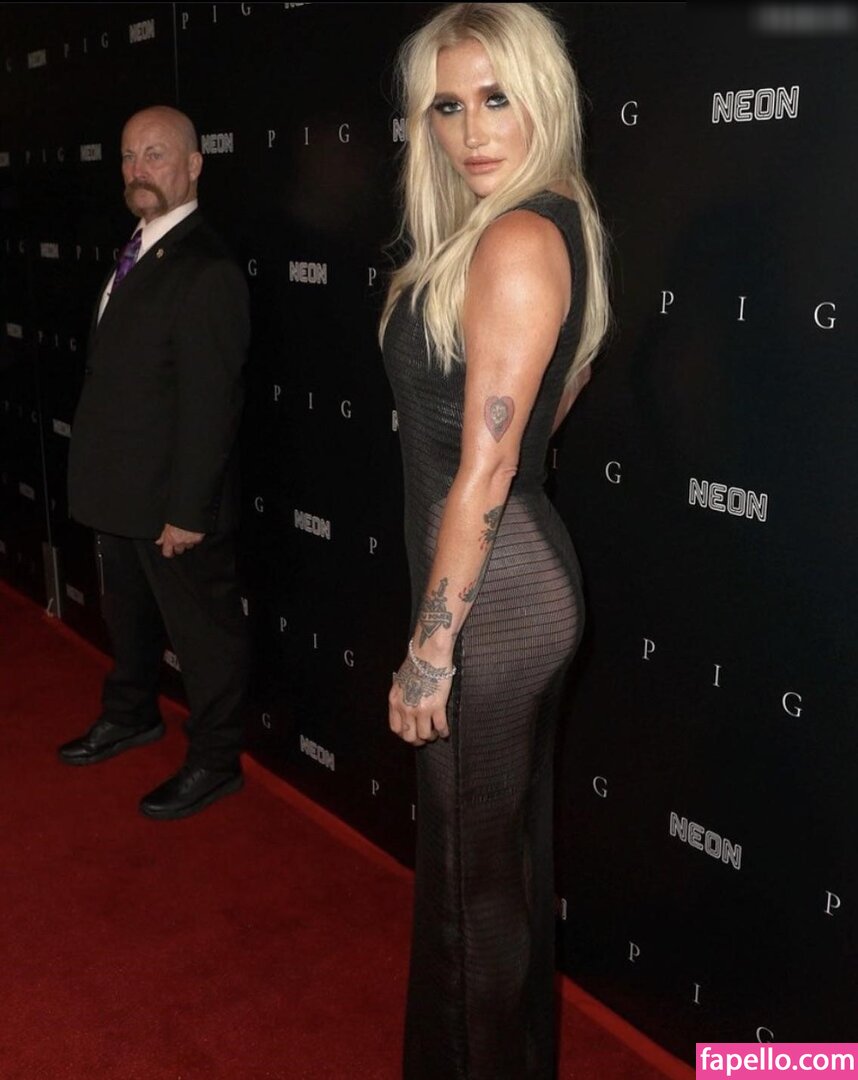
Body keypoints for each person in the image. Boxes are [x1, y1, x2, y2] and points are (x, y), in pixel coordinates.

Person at [380, 4, 611, 1076]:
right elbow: (565, 382)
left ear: (542, 98)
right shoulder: (538, 221)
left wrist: (432, 649)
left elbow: (486, 469)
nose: (471, 130)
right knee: (496, 865)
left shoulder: (518, 237)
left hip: (491, 603)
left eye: (496, 98)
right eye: (447, 106)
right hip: (506, 580)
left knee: (470, 890)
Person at [58, 105, 250, 821]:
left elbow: (211, 404)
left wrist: (187, 511)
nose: (138, 170)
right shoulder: (138, 248)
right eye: (129, 156)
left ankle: (215, 760)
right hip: (121, 490)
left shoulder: (206, 268)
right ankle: (131, 713)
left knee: (204, 637)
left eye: (156, 155)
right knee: (129, 618)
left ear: (194, 165)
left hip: (173, 502)